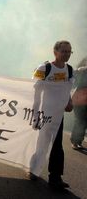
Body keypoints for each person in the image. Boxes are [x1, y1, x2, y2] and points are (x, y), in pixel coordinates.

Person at [29, 40, 74, 190]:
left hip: (58, 116)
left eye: (69, 52)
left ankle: (55, 178)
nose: (66, 54)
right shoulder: (44, 68)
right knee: (42, 143)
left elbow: (67, 88)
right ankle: (34, 170)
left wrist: (69, 101)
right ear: (55, 52)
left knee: (57, 146)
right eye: (64, 51)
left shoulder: (70, 69)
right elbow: (35, 92)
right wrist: (35, 114)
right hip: (44, 114)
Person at [70, 57, 87, 150]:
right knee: (80, 121)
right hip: (80, 100)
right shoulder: (81, 71)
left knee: (83, 122)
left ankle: (77, 141)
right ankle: (76, 142)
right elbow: (71, 78)